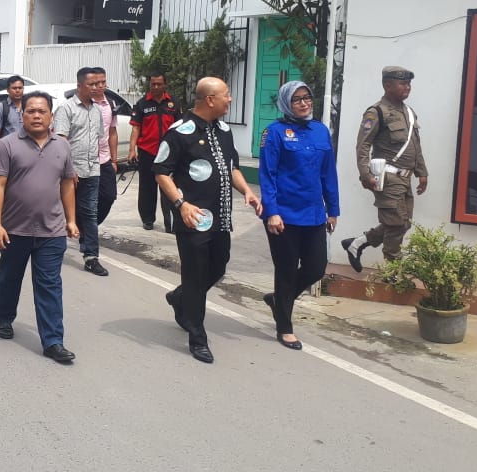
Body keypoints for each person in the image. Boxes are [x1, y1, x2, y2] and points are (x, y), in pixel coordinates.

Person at [155, 77, 262, 364]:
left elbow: (232, 167)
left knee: (218, 266)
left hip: (221, 217)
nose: (230, 100)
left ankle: (181, 298)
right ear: (210, 99)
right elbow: (161, 172)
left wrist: (247, 191)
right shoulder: (179, 132)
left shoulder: (224, 130)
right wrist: (181, 205)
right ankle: (197, 336)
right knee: (195, 274)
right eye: (226, 95)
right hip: (193, 219)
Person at [0, 92, 81, 363]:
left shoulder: (62, 146)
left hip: (51, 230)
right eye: (31, 111)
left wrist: (71, 220)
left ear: (51, 115)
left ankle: (53, 341)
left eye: (42, 111)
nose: (37, 116)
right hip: (14, 230)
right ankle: (4, 317)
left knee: (49, 284)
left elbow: (67, 183)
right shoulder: (7, 145)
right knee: (9, 278)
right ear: (22, 115)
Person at [258, 81, 339, 350]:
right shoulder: (274, 132)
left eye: (307, 98)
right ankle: (285, 327)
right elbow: (267, 176)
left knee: (316, 267)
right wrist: (272, 212)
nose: (304, 103)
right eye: (297, 99)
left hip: (314, 213)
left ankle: (278, 300)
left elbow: (328, 173)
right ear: (286, 103)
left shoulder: (320, 131)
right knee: (286, 271)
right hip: (284, 215)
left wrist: (333, 209)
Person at [341, 66, 427, 272]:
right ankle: (393, 271)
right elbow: (363, 145)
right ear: (388, 85)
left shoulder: (409, 112)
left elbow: (416, 145)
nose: (408, 87)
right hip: (387, 178)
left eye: (409, 84)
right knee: (396, 224)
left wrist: (422, 172)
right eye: (403, 83)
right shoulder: (376, 112)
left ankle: (357, 243)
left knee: (403, 223)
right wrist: (365, 174)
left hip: (405, 178)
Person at [54, 67, 108, 277]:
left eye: (99, 84)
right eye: (91, 84)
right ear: (79, 86)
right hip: (70, 172)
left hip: (92, 169)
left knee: (90, 213)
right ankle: (52, 247)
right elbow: (61, 141)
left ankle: (91, 257)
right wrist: (69, 169)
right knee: (61, 211)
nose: (96, 88)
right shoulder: (66, 109)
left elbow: (98, 139)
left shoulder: (96, 110)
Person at [129, 73, 182, 232]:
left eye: (159, 84)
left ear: (165, 85)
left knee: (169, 188)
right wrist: (132, 149)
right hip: (147, 152)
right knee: (147, 188)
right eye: (153, 84)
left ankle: (170, 223)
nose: (156, 87)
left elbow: (179, 127)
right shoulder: (142, 104)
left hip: (169, 153)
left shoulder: (173, 103)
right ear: (150, 85)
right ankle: (148, 219)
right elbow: (136, 128)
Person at [90, 67, 119, 225]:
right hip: (84, 161)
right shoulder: (84, 103)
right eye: (96, 83)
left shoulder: (111, 104)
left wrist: (114, 160)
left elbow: (112, 132)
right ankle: (86, 230)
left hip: (104, 160)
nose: (100, 86)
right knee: (86, 198)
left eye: (103, 82)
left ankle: (91, 225)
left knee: (109, 196)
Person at [0, 75, 25, 139]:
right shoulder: (1, 107)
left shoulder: (28, 106)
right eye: (14, 88)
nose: (17, 90)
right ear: (8, 90)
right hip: (8, 144)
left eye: (20, 88)